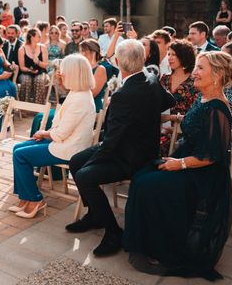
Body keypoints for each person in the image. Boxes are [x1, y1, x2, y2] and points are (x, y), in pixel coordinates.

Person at [124, 52, 232, 280]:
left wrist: (180, 164)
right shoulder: (203, 97)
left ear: (217, 75)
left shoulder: (219, 109)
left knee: (150, 187)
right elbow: (194, 120)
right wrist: (172, 119)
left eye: (200, 68)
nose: (194, 72)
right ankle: (144, 242)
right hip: (186, 160)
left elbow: (213, 156)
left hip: (202, 173)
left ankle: (163, 248)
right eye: (196, 67)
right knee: (140, 177)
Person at [65, 40, 175, 257]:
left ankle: (114, 232)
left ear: (116, 62)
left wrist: (94, 160)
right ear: (142, 60)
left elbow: (111, 141)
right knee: (75, 161)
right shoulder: (151, 77)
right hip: (132, 145)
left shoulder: (123, 95)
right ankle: (94, 214)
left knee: (85, 175)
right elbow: (167, 101)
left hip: (132, 157)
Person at [10, 55, 97, 218]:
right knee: (17, 148)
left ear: (73, 74)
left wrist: (44, 133)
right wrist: (46, 135)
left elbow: (61, 133)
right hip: (64, 141)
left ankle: (35, 199)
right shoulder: (78, 92)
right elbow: (61, 128)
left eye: (64, 72)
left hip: (70, 149)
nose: (61, 75)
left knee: (21, 155)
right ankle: (25, 197)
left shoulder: (81, 98)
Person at [159, 40, 199, 154]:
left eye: (174, 55)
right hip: (161, 128)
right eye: (169, 54)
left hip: (184, 131)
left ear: (184, 56)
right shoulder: (164, 78)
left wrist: (172, 118)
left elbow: (195, 113)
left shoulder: (194, 82)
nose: (170, 58)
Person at [18, 29, 49, 104]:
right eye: (38, 36)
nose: (40, 37)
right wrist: (30, 70)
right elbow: (22, 67)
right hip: (26, 72)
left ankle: (38, 108)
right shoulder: (22, 49)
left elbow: (45, 65)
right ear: (32, 37)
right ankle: (24, 107)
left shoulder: (43, 47)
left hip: (41, 72)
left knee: (39, 81)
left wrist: (38, 62)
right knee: (26, 81)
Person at [79, 39, 107, 112]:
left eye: (85, 50)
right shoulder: (81, 68)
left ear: (93, 52)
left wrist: (92, 63)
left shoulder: (100, 69)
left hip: (92, 107)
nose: (83, 54)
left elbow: (92, 94)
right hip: (79, 105)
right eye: (81, 51)